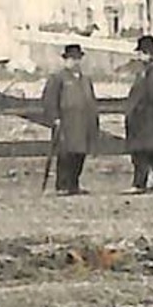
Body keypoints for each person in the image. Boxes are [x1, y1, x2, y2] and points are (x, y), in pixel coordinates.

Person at [41, 43, 100, 196]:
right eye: (71, 59)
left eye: (77, 58)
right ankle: (62, 185)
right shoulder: (58, 78)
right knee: (65, 154)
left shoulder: (85, 80)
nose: (75, 62)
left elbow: (91, 100)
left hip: (83, 123)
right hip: (66, 123)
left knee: (79, 154)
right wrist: (55, 118)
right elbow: (49, 99)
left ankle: (74, 184)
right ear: (65, 60)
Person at [125, 34, 153, 192]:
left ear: (147, 52)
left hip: (146, 117)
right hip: (150, 117)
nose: (139, 56)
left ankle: (140, 183)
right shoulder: (151, 70)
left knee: (141, 151)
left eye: (141, 53)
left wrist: (140, 110)